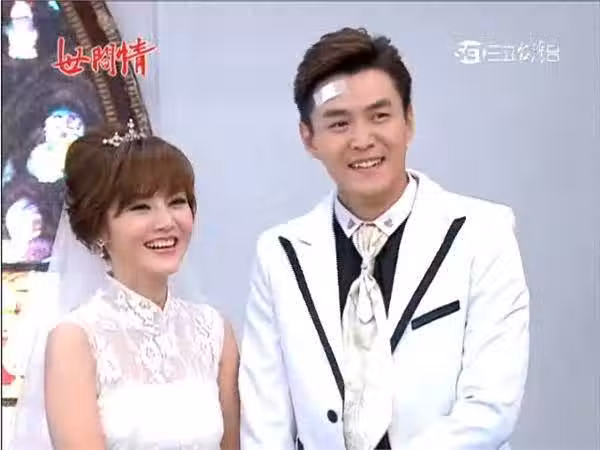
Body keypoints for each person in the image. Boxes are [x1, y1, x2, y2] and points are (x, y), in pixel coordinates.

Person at [239, 27, 529, 450]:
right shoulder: (279, 254)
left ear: (408, 120)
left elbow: (490, 408)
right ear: (308, 138)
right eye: (339, 123)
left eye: (379, 116)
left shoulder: (482, 234)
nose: (362, 140)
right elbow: (266, 424)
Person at [10, 119, 240, 450]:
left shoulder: (215, 332)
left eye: (177, 202)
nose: (166, 222)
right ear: (99, 228)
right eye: (140, 207)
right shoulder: (75, 339)